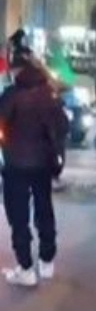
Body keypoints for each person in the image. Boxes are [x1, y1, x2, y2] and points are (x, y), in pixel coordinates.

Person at [0, 49, 68, 286]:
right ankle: (47, 260)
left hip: (15, 163)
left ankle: (26, 267)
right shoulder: (47, 93)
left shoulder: (11, 94)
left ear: (17, 71)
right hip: (43, 163)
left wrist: (5, 141)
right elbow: (63, 126)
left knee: (18, 216)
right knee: (44, 207)